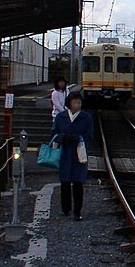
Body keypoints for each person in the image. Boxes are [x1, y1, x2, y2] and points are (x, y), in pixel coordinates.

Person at [51, 91, 93, 220]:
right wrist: (63, 137)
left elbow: (89, 135)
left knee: (78, 182)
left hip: (79, 152)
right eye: (75, 102)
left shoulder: (86, 118)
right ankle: (65, 208)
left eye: (79, 102)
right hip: (65, 152)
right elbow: (54, 134)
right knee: (65, 181)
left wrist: (78, 138)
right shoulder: (61, 117)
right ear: (69, 103)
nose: (77, 105)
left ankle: (77, 211)